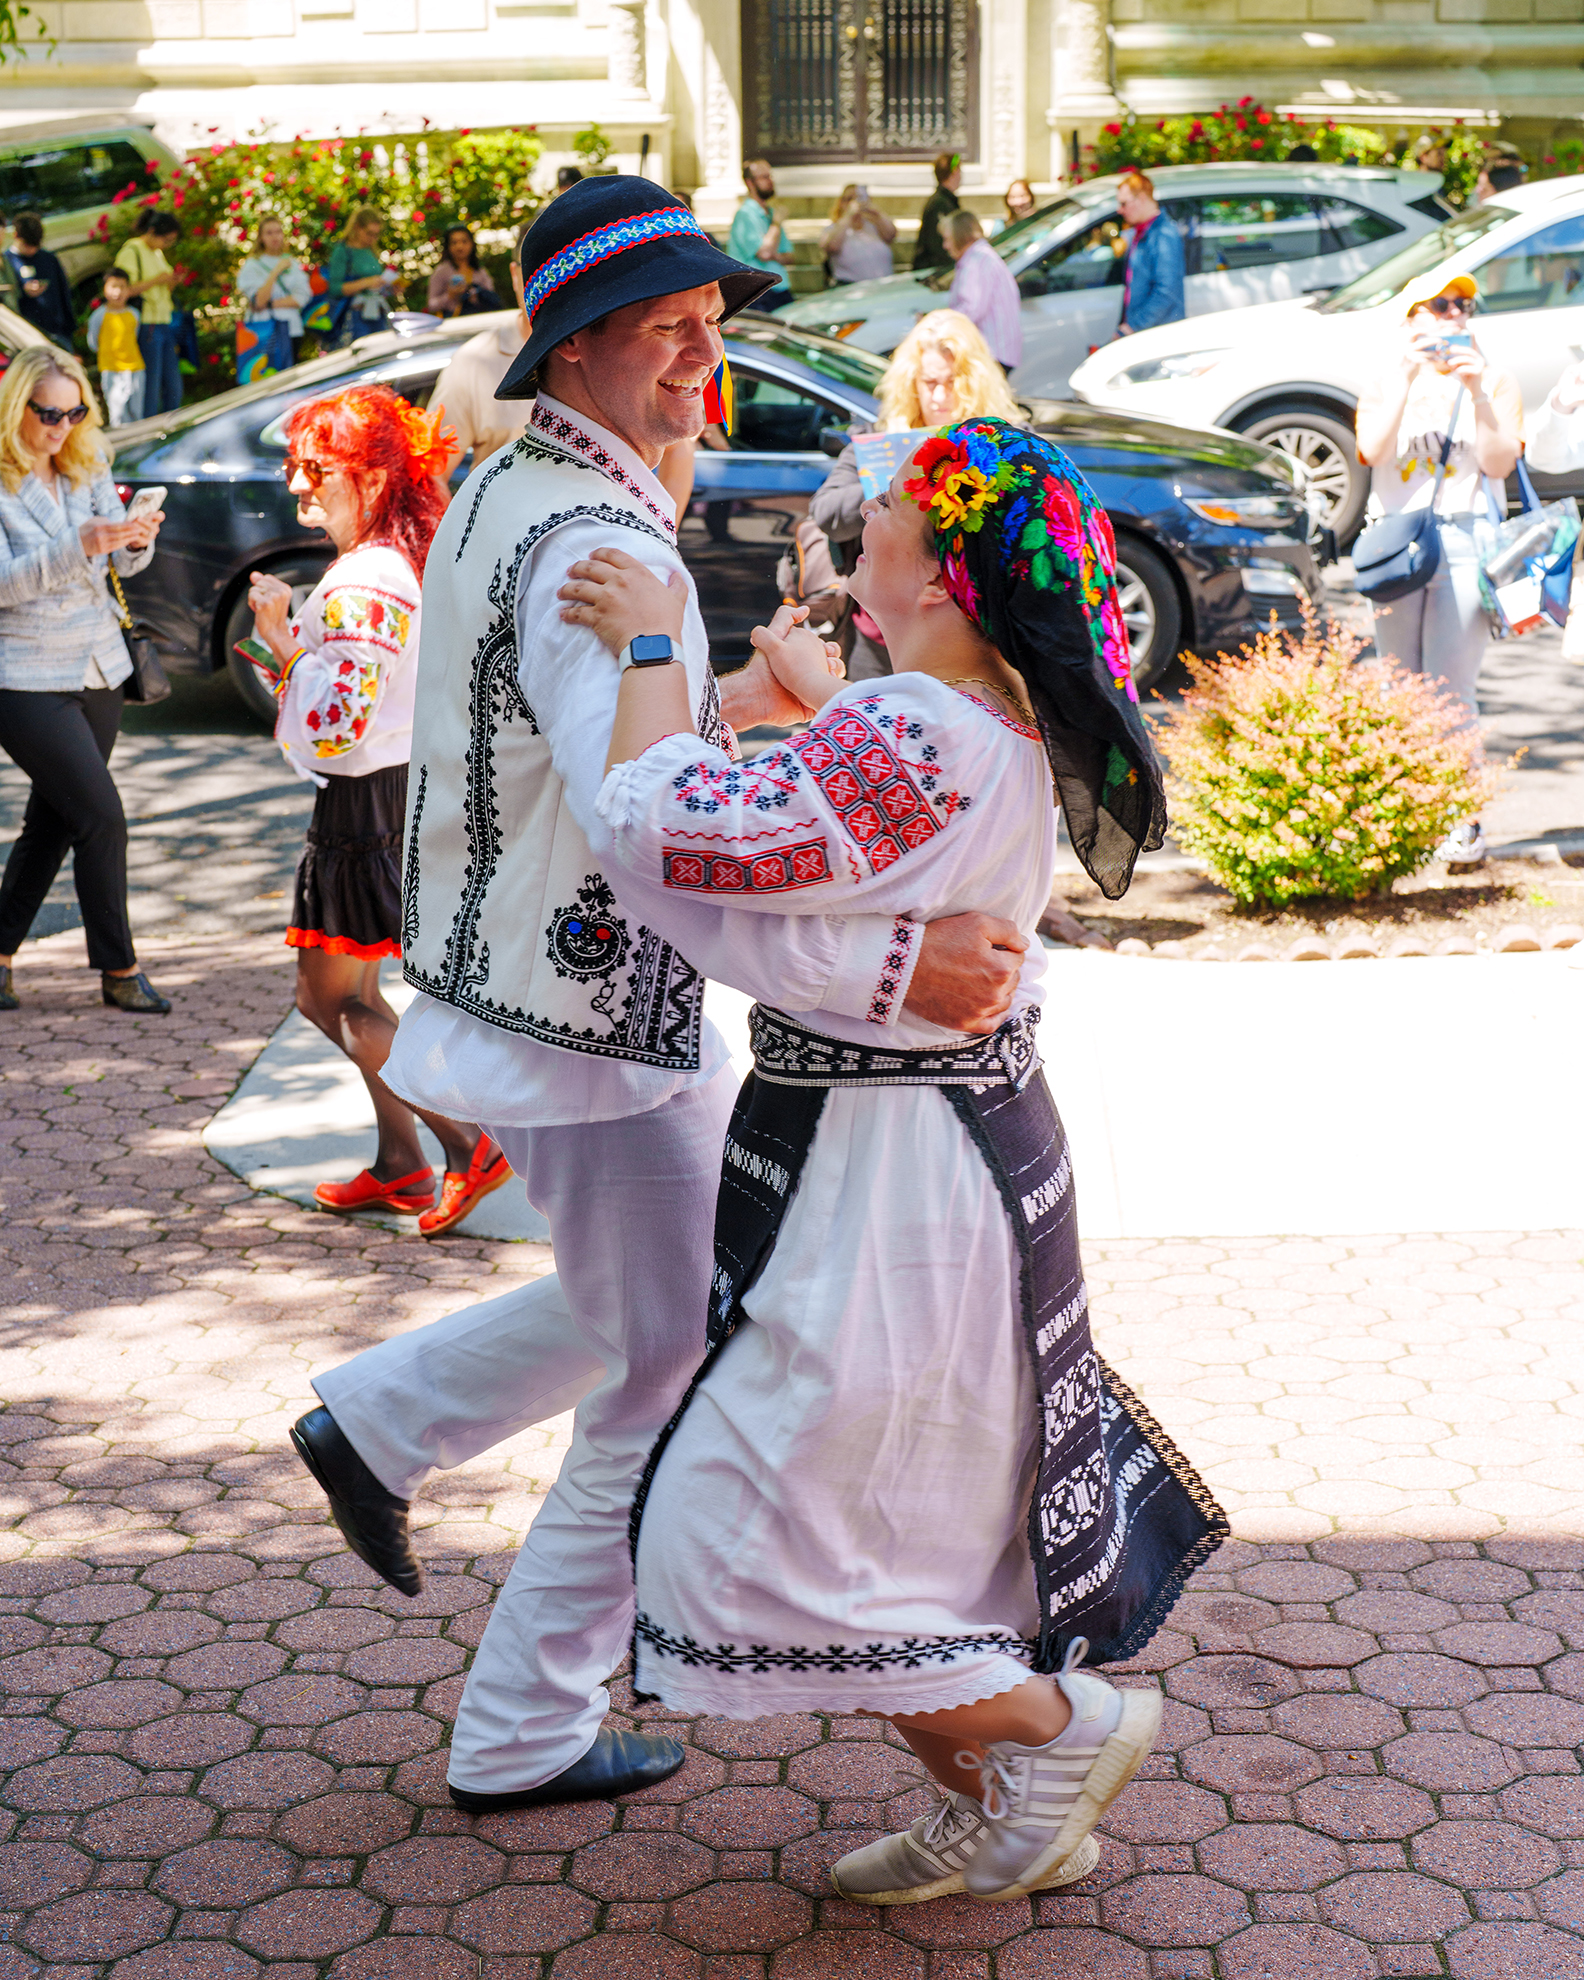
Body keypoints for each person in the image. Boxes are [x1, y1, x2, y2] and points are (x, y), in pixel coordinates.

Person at [289, 177, 1029, 1817]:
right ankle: (519, 1727)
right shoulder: (598, 538)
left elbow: (617, 777)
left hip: (536, 1008)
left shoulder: (510, 482)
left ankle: (380, 1429)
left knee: (658, 1318)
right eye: (667, 327)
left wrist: (748, 704)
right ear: (578, 349)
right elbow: (653, 834)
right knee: (665, 1361)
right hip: (586, 1029)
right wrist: (884, 955)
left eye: (711, 321)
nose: (705, 352)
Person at [560, 415, 1216, 1908]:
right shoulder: (975, 716)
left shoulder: (912, 734)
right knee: (884, 1533)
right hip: (927, 1142)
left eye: (890, 520)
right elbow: (843, 866)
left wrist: (658, 648)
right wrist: (824, 718)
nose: (860, 531)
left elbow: (661, 828)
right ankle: (1014, 1808)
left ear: (946, 576)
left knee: (732, 1537)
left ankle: (1060, 1733)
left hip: (894, 1169)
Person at [243, 383, 509, 1236]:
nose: (298, 485)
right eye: (294, 466)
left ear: (370, 475)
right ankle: (401, 1164)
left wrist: (284, 646)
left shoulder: (367, 576)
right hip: (394, 795)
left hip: (363, 809)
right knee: (350, 991)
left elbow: (332, 724)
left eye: (315, 468)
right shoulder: (406, 558)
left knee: (332, 1001)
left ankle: (466, 1147)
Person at [0, 347, 168, 1016]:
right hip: (24, 676)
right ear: (17, 408)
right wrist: (81, 546)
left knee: (54, 820)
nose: (63, 425)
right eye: (49, 413)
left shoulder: (86, 461)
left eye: (76, 411)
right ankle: (119, 967)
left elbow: (121, 569)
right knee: (101, 818)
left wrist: (134, 539)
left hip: (99, 665)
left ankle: (1, 952)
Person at [1355, 274, 1522, 868]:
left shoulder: (1494, 376)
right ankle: (1408, 818)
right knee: (1399, 688)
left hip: (1466, 538)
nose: (1456, 315)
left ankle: (1462, 821)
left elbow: (1501, 461)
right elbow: (1371, 451)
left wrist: (1477, 391)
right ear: (1410, 318)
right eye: (1442, 304)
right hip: (1395, 545)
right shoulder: (1383, 378)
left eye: (1465, 305)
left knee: (1451, 691)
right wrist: (1404, 377)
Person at [812, 308, 1020, 681]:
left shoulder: (1004, 442)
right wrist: (898, 476)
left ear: (976, 382)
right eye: (929, 383)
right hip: (879, 642)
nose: (940, 396)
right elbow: (826, 513)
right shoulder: (879, 440)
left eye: (953, 382)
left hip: (977, 642)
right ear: (911, 383)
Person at [114, 210, 183, 417]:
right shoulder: (132, 250)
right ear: (152, 232)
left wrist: (171, 282)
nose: (167, 245)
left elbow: (162, 287)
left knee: (173, 384)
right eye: (166, 239)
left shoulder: (156, 253)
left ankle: (172, 425)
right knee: (150, 384)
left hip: (163, 320)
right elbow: (122, 290)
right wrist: (157, 280)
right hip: (147, 323)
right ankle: (150, 430)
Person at [943, 209, 1022, 372]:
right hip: (998, 350)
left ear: (960, 236)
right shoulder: (981, 256)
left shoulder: (975, 262)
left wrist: (942, 324)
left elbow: (972, 309)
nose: (945, 246)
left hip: (992, 351)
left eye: (947, 239)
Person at [237, 214, 313, 369]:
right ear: (261, 237)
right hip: (264, 333)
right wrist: (275, 272)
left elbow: (301, 298)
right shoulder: (253, 265)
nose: (275, 237)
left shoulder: (291, 263)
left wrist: (270, 304)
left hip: (292, 330)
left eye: (278, 232)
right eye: (269, 233)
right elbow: (259, 301)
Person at [1115, 171, 1183, 337]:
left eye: (1124, 203)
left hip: (1156, 335)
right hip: (1145, 332)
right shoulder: (1141, 232)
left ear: (1142, 198)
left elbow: (1166, 292)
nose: (1120, 210)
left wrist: (1133, 326)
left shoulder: (1163, 234)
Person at [727, 159, 796, 310]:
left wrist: (775, 255)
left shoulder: (771, 213)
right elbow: (764, 253)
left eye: (770, 176)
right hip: (758, 293)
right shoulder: (745, 214)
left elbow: (790, 256)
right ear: (750, 183)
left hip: (780, 288)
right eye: (764, 177)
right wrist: (776, 224)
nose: (770, 181)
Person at [324, 208, 396, 344]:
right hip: (354, 317)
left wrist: (390, 287)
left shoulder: (371, 251)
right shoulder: (343, 251)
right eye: (369, 234)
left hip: (377, 313)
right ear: (357, 228)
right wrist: (366, 282)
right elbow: (334, 288)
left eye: (376, 234)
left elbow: (376, 285)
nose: (373, 239)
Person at [86, 271, 146, 429]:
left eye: (122, 287)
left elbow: (136, 336)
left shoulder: (134, 314)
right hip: (111, 369)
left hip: (135, 368)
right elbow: (93, 342)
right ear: (105, 289)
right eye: (113, 287)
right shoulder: (99, 316)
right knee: (118, 414)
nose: (117, 292)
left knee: (136, 413)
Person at [6, 212, 74, 350]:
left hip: (57, 332)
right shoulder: (7, 262)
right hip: (26, 337)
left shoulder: (48, 259)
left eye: (35, 245)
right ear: (15, 236)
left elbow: (64, 293)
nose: (32, 249)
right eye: (27, 244)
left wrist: (69, 328)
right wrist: (22, 291)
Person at [821, 185, 897, 285]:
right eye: (849, 199)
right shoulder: (833, 229)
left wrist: (877, 213)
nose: (855, 202)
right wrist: (849, 215)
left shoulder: (875, 226)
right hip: (850, 288)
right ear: (841, 202)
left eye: (859, 198)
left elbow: (891, 234)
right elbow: (832, 246)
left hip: (882, 287)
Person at [426, 224, 498, 319]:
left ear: (471, 243)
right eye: (454, 242)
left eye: (464, 241)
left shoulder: (479, 270)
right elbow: (432, 304)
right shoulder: (442, 271)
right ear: (448, 246)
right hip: (454, 322)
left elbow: (491, 295)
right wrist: (450, 296)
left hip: (480, 319)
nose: (459, 247)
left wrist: (476, 294)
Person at [914, 151, 963, 273]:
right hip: (934, 272)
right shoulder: (940, 204)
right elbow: (937, 245)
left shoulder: (945, 201)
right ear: (954, 172)